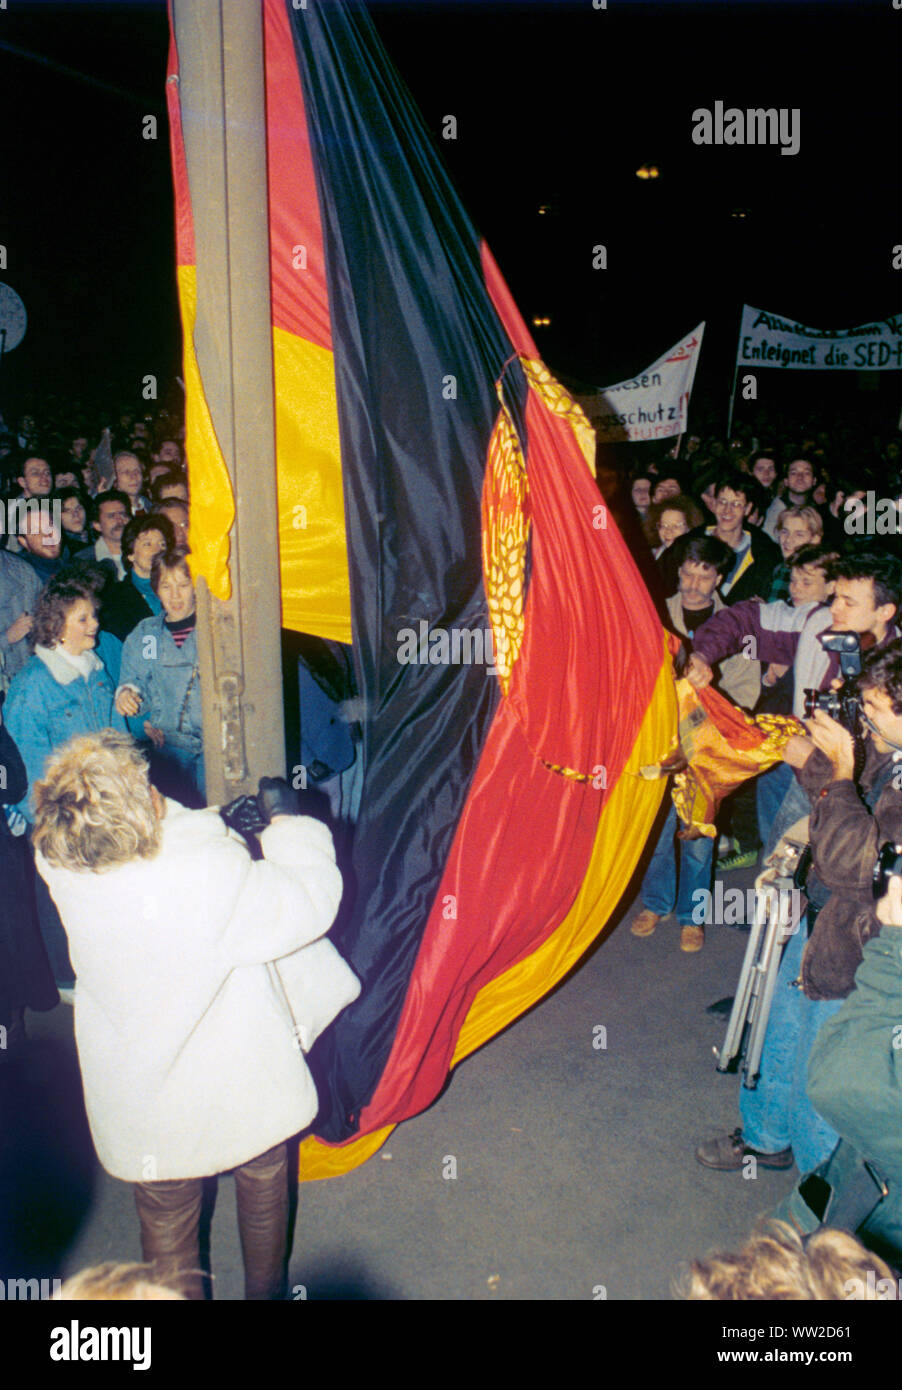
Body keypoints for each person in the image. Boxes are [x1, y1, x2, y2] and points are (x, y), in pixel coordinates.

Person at [32, 730, 358, 1299]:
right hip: (237, 1072)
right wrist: (289, 824)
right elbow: (310, 899)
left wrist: (217, 820)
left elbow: (142, 844)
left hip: (144, 1089)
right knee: (262, 1179)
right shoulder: (204, 874)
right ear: (144, 800)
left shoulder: (59, 862)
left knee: (166, 1217)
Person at [695, 641, 902, 1177]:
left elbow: (852, 866)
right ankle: (766, 1139)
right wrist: (832, 755)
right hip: (818, 915)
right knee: (778, 1029)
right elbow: (834, 788)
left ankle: (818, 1200)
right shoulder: (887, 743)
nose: (867, 716)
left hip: (863, 952)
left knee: (822, 1069)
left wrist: (838, 771)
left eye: (876, 709)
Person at [631, 536, 760, 953]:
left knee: (700, 834)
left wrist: (713, 712)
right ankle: (656, 903)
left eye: (704, 576)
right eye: (687, 573)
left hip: (706, 748)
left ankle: (693, 916)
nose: (693, 584)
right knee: (656, 830)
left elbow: (747, 688)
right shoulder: (654, 614)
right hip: (659, 744)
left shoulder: (734, 624)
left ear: (718, 577)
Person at [4, 574, 126, 989]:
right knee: (61, 902)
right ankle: (68, 983)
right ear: (56, 626)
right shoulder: (33, 687)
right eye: (82, 618)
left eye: (93, 614)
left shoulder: (95, 670)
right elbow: (26, 768)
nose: (94, 623)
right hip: (60, 817)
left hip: (102, 809)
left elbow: (115, 739)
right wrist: (51, 826)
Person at [115, 551, 204, 804]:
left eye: (183, 585)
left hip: (214, 749)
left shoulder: (215, 628)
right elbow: (139, 677)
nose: (175, 595)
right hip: (170, 751)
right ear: (156, 589)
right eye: (166, 586)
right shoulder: (150, 635)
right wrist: (128, 694)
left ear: (196, 586)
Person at [101, 513, 175, 642]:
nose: (158, 551)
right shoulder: (115, 599)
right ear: (131, 554)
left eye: (162, 544)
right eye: (148, 544)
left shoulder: (179, 589)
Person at [768, 505, 824, 602]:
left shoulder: (818, 576)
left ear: (815, 539)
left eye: (799, 535)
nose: (788, 540)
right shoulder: (779, 568)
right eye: (785, 532)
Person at [76, 490, 131, 584]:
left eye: (123, 514)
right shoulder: (83, 561)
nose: (120, 520)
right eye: (111, 516)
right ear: (97, 525)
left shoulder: (144, 552)